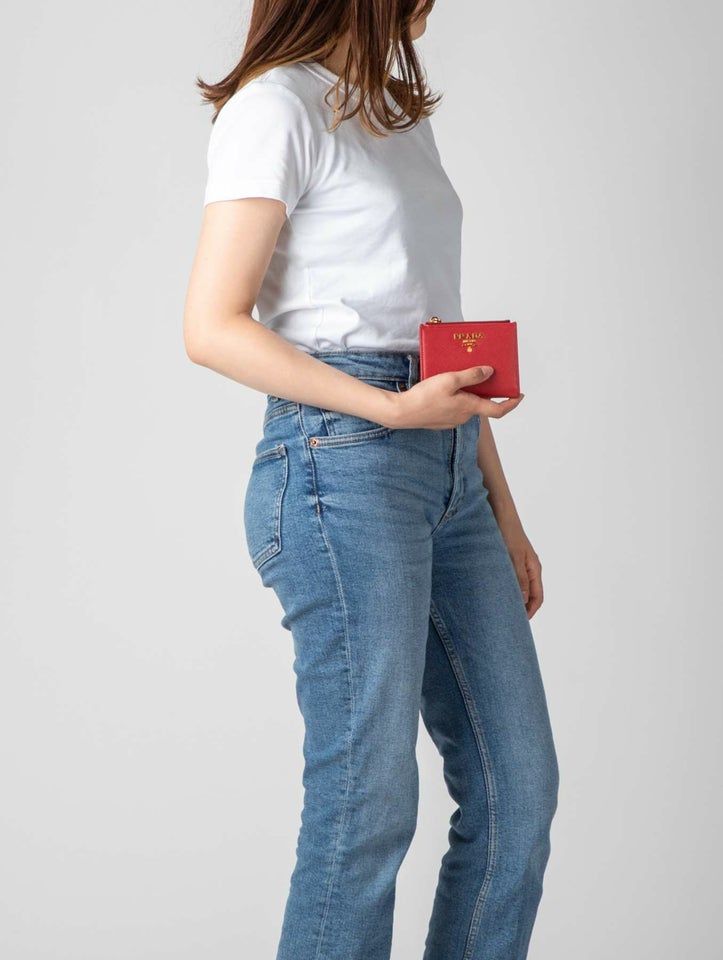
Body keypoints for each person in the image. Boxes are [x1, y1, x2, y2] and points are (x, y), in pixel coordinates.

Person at [183, 2, 559, 957]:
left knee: (519, 791)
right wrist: (389, 411)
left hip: (450, 469)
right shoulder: (276, 107)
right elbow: (211, 325)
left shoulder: (394, 114)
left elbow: (435, 342)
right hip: (338, 465)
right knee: (368, 805)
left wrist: (504, 513)